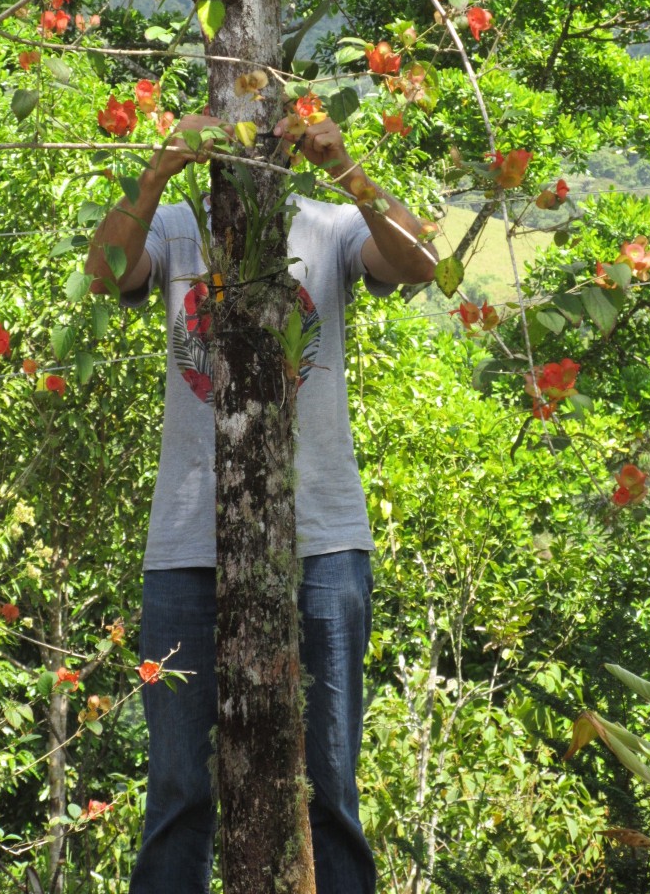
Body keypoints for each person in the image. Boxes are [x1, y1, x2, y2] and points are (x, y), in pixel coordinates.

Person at [85, 111, 437, 894]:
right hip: (185, 544)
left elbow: (421, 262)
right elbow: (105, 274)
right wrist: (153, 175)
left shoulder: (333, 225)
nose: (255, 137)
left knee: (329, 783)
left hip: (323, 538)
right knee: (180, 788)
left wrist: (347, 167)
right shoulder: (176, 228)